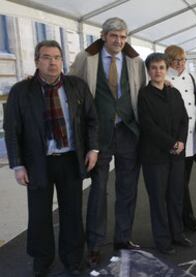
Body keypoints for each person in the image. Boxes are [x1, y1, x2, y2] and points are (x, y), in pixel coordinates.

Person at [3, 40, 99, 276]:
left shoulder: (77, 86)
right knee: (39, 215)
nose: (52, 62)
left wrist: (93, 149)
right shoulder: (20, 91)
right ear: (37, 61)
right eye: (47, 57)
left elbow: (92, 120)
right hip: (37, 163)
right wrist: (17, 165)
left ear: (62, 61)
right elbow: (12, 129)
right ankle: (41, 261)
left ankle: (72, 260)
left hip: (69, 160)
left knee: (72, 213)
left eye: (57, 57)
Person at [69, 17, 146, 266]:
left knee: (128, 189)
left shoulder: (135, 61)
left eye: (123, 37)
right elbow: (70, 84)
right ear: (103, 36)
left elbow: (142, 91)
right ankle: (94, 243)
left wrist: (163, 82)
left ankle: (122, 239)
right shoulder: (86, 58)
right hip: (98, 135)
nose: (119, 41)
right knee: (98, 191)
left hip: (127, 131)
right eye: (114, 36)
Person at [138, 53, 192, 255]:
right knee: (158, 200)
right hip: (155, 157)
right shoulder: (144, 95)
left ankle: (177, 234)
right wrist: (171, 143)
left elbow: (183, 120)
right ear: (148, 70)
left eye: (161, 67)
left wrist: (180, 142)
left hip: (176, 154)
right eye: (153, 68)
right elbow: (148, 126)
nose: (158, 71)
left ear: (166, 69)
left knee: (176, 196)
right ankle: (162, 240)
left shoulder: (174, 93)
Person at [164, 45, 196, 232]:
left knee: (184, 181)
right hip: (175, 139)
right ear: (168, 60)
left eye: (182, 60)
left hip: (191, 138)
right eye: (175, 60)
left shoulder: (192, 77)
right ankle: (186, 217)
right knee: (177, 182)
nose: (179, 64)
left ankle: (182, 217)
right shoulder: (163, 79)